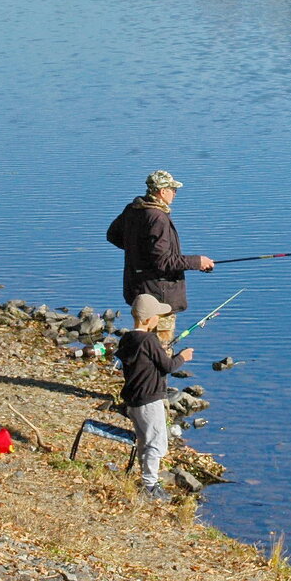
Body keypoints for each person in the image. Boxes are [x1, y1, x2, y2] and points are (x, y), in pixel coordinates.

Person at [107, 170, 214, 344]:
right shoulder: (158, 218)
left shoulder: (134, 209)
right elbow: (164, 261)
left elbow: (113, 235)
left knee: (142, 341)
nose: (175, 194)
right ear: (162, 191)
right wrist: (197, 262)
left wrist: (139, 254)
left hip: (138, 288)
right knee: (160, 349)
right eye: (173, 189)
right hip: (158, 295)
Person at [116, 293, 194, 501]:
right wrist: (182, 357)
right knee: (157, 443)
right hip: (150, 400)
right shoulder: (150, 340)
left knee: (144, 440)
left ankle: (146, 480)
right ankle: (150, 486)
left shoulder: (127, 338)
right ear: (150, 319)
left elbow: (145, 361)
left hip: (133, 401)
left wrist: (160, 351)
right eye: (157, 315)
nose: (159, 319)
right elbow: (167, 367)